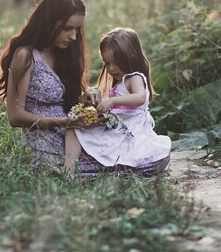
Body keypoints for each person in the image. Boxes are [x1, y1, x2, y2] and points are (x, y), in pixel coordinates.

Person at [0, 0, 105, 175]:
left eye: (77, 29)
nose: (73, 37)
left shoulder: (63, 54)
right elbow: (14, 117)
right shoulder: (25, 56)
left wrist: (84, 98)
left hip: (69, 134)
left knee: (128, 152)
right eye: (67, 29)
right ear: (50, 22)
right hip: (43, 139)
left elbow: (63, 101)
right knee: (117, 164)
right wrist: (65, 122)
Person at [65, 27, 171, 173]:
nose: (111, 68)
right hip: (119, 127)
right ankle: (68, 170)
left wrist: (113, 101)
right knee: (73, 131)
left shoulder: (135, 77)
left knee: (82, 135)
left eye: (116, 62)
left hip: (130, 130)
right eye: (107, 63)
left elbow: (140, 97)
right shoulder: (121, 80)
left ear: (130, 57)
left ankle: (80, 170)